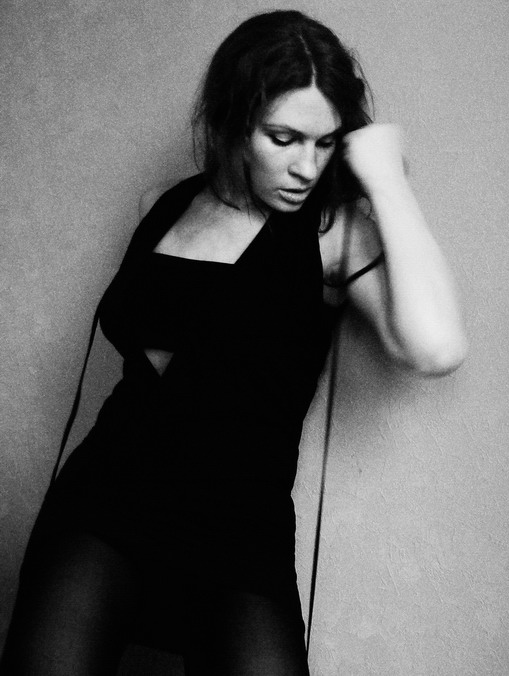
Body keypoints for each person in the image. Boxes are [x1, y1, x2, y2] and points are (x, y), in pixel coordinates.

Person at [0, 9, 467, 676]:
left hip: (241, 534)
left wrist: (385, 179)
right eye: (284, 138)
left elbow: (435, 349)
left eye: (326, 143)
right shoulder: (161, 205)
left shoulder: (333, 232)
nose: (307, 167)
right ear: (232, 122)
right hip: (107, 504)